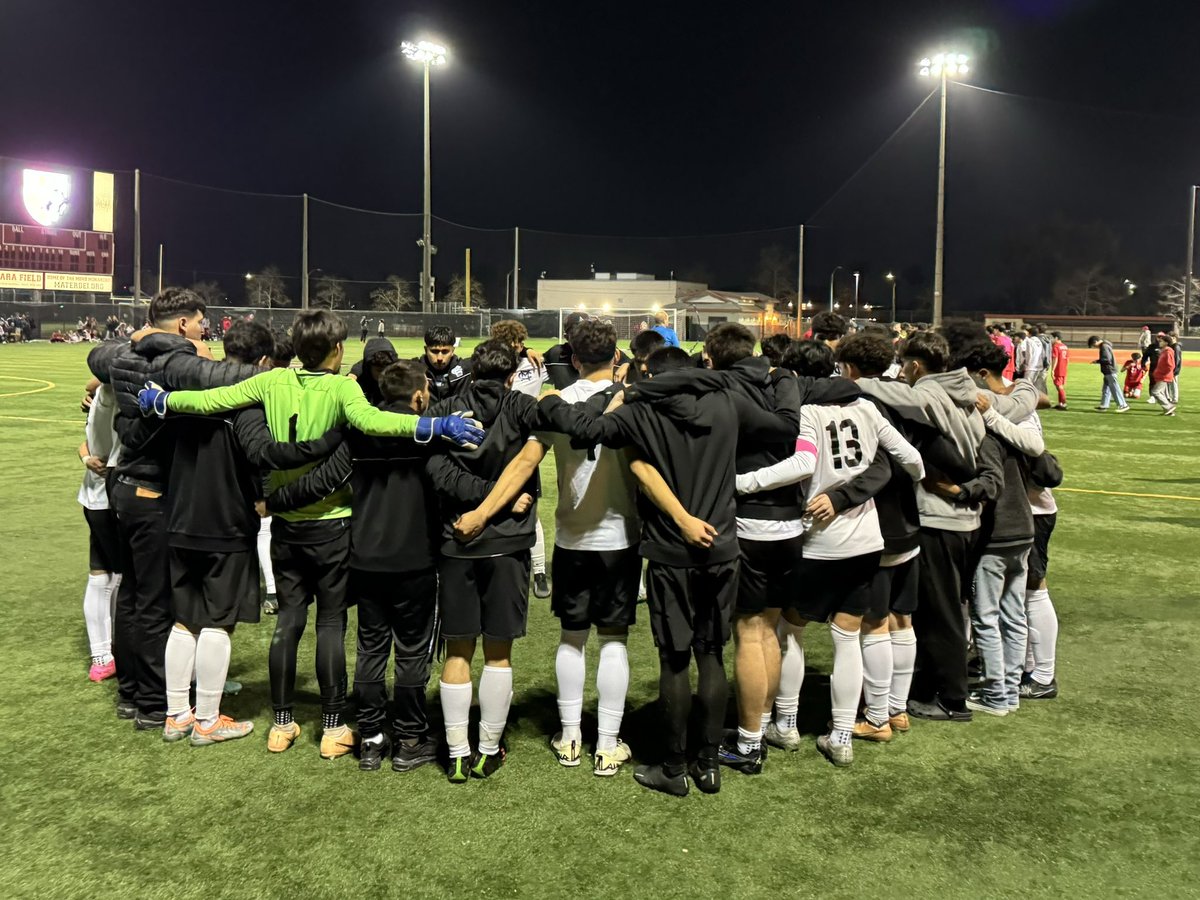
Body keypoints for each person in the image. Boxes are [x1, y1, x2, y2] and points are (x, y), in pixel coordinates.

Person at [139, 309, 484, 757]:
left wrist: (164, 402)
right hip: (333, 525)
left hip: (286, 528)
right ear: (338, 350)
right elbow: (377, 423)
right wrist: (433, 425)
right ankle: (332, 727)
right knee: (331, 625)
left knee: (287, 622)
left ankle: (281, 726)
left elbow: (212, 400)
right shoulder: (344, 388)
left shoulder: (273, 381)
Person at [539, 346, 796, 796]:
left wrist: (549, 401)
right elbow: (782, 428)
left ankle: (674, 767)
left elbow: (583, 429)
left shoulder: (642, 406)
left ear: (647, 372)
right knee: (711, 653)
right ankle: (709, 765)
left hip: (670, 552)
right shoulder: (727, 397)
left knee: (674, 659)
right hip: (720, 546)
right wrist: (786, 380)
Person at [86, 288, 270, 731]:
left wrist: (134, 340)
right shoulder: (172, 361)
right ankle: (154, 702)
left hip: (123, 486)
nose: (205, 333)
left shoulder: (127, 354)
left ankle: (133, 692)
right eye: (201, 325)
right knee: (155, 601)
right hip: (152, 490)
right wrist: (272, 375)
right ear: (184, 324)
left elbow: (96, 358)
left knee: (132, 594)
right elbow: (221, 378)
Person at [736, 340, 924, 767]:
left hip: (819, 541)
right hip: (865, 543)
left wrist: (744, 483)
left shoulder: (809, 411)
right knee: (848, 636)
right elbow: (913, 462)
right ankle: (841, 735)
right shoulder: (868, 407)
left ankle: (785, 723)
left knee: (790, 630)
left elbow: (803, 465)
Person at [160, 320, 343, 748]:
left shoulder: (189, 393)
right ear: (263, 361)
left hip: (181, 516)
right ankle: (206, 719)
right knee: (218, 621)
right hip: (224, 521)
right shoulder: (246, 403)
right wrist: (324, 446)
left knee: (184, 619)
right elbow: (264, 454)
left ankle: (176, 715)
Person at [265, 360, 442, 773]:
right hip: (415, 559)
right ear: (419, 396)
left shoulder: (360, 433)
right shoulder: (428, 434)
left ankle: (372, 738)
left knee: (371, 648)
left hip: (365, 559)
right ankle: (410, 738)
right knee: (412, 651)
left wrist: (273, 502)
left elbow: (321, 480)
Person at [501, 320, 642, 775]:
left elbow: (525, 461)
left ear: (574, 359)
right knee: (615, 639)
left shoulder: (557, 403)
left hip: (572, 538)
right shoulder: (632, 403)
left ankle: (569, 736)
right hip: (620, 537)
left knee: (573, 638)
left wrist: (484, 511)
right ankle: (607, 743)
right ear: (616, 357)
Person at [832, 332, 977, 742]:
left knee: (873, 622)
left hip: (874, 522)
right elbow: (958, 463)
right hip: (912, 523)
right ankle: (897, 710)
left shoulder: (854, 404)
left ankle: (876, 718)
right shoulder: (908, 405)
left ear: (850, 369)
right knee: (901, 617)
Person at [421, 340, 542, 782]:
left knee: (458, 649)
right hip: (507, 545)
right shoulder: (524, 407)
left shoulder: (447, 407)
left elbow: (436, 472)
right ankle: (489, 749)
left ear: (470, 370)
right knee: (498, 653)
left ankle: (456, 751)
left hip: (457, 542)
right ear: (512, 375)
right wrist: (500, 501)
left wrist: (474, 505)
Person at [490, 320, 551, 597]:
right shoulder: (489, 366)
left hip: (526, 446)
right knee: (495, 498)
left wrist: (622, 364)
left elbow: (567, 359)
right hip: (495, 442)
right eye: (512, 343)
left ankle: (539, 571)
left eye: (519, 342)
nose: (516, 347)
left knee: (529, 506)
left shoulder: (537, 363)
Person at [78, 378, 121, 682]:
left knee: (100, 573)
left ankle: (102, 655)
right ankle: (112, 652)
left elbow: (84, 442)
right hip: (114, 497)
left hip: (94, 497)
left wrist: (85, 458)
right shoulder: (118, 397)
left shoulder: (97, 397)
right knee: (118, 576)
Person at [416, 325, 472, 401]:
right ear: (426, 350)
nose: (439, 358)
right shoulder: (413, 371)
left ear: (452, 351)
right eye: (434, 351)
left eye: (445, 352)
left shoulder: (466, 371)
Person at [348, 337, 399, 405]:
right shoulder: (359, 380)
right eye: (379, 370)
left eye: (386, 369)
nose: (383, 374)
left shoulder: (399, 376)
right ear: (369, 368)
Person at [1087, 335, 1129, 412]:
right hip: (1108, 371)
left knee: (1114, 388)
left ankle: (1123, 405)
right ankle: (1104, 405)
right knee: (1106, 389)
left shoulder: (1104, 347)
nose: (1094, 347)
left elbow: (1107, 359)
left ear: (1095, 342)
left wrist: (1097, 361)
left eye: (1093, 345)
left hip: (1110, 370)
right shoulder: (1105, 345)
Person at [1150, 334, 1177, 415]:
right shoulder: (1164, 351)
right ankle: (1169, 411)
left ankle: (1169, 407)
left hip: (1164, 376)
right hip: (1161, 376)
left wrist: (1163, 373)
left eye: (1161, 341)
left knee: (1155, 392)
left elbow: (1171, 365)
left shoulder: (1168, 352)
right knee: (1161, 393)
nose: (1159, 342)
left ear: (1166, 342)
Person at [1050, 332, 1070, 409]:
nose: (1051, 339)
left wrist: (1053, 370)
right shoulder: (1065, 346)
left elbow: (1055, 358)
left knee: (1059, 386)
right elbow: (1068, 359)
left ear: (1056, 338)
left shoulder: (1056, 346)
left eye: (1052, 338)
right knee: (1059, 386)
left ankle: (1064, 403)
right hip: (1063, 368)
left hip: (1058, 369)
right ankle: (1061, 403)